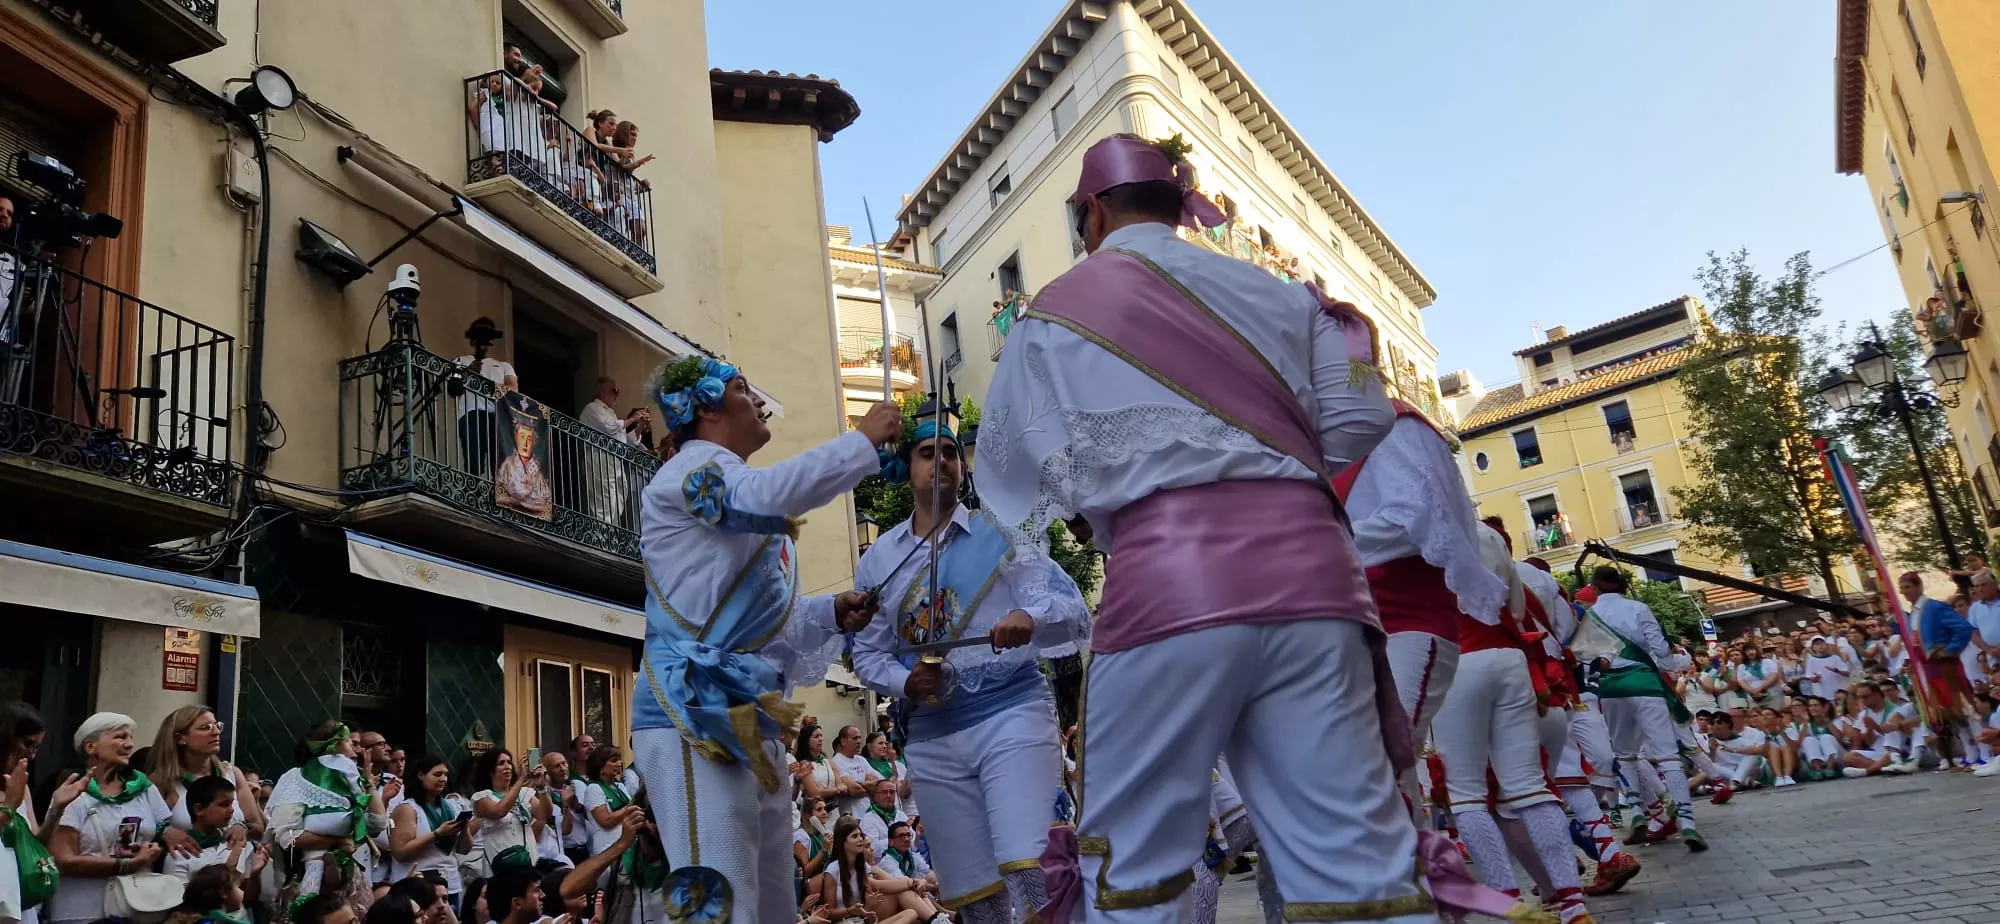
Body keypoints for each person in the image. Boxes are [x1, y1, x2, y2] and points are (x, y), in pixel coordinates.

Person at [975, 133, 1433, 923]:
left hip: (1170, 583)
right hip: (1319, 582)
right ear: (1179, 204)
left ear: (1092, 213)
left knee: (1138, 859)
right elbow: (1360, 421)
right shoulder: (1289, 296)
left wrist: (1102, 502)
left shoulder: (1052, 312)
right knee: (1355, 856)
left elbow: (1015, 474)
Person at [633, 353, 900, 924]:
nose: (757, 401)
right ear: (704, 408)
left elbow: (768, 627)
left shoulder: (746, 500)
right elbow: (764, 495)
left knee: (773, 899)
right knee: (719, 897)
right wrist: (860, 444)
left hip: (749, 716)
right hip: (688, 711)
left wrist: (829, 611)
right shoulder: (690, 475)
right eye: (740, 388)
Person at [849, 415, 1090, 923]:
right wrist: (906, 681)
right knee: (975, 895)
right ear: (904, 467)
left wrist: (1029, 616)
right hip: (932, 733)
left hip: (1012, 713)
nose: (941, 461)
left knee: (1032, 864)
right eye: (926, 452)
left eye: (951, 452)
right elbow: (867, 656)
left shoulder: (997, 532)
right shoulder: (879, 561)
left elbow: (1069, 609)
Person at [1328, 367, 1505, 829]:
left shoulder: (1395, 425)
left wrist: (1309, 542)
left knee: (1379, 760)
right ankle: (1415, 890)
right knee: (1375, 769)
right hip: (1354, 626)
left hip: (1408, 623)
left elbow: (1418, 520)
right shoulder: (1325, 446)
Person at [1428, 525, 1594, 923]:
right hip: (1510, 660)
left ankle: (1509, 905)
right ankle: (1573, 905)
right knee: (1529, 786)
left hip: (1457, 661)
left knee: (1466, 793)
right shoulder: (1489, 535)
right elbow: (1518, 609)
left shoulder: (1414, 526)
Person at [1575, 566, 1702, 852]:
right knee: (1667, 755)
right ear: (1621, 586)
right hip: (1644, 683)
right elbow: (1660, 651)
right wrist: (1672, 666)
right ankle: (1687, 822)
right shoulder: (1639, 608)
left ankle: (1636, 813)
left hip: (1610, 689)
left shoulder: (1591, 615)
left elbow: (1585, 658)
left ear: (1595, 588)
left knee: (1625, 754)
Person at [46, 713, 191, 924]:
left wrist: (153, 848)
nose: (129, 745)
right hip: (82, 911)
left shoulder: (143, 788)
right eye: (120, 737)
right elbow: (62, 860)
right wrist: (125, 864)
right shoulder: (74, 792)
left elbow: (162, 830)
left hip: (134, 908)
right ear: (91, 747)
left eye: (130, 738)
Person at [267, 721, 388, 920]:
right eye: (351, 743)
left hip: (348, 881)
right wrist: (336, 842)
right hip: (307, 876)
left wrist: (368, 782)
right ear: (333, 746)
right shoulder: (294, 779)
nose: (356, 752)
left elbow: (377, 824)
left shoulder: (352, 778)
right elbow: (287, 836)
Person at [147, 706, 265, 842]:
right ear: (180, 738)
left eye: (217, 725)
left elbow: (258, 828)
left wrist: (241, 827)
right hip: (186, 861)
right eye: (205, 727)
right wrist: (164, 832)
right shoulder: (162, 781)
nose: (215, 732)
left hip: (235, 860)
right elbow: (145, 830)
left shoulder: (232, 774)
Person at [388, 755, 473, 907]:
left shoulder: (451, 806)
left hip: (449, 884)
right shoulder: (408, 808)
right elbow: (400, 852)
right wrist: (437, 834)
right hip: (417, 885)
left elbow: (464, 849)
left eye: (446, 774)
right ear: (420, 775)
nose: (443, 779)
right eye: (437, 774)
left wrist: (464, 827)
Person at [164, 775, 265, 883]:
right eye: (224, 804)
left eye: (231, 803)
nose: (231, 810)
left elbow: (249, 898)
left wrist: (255, 876)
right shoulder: (179, 856)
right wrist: (228, 870)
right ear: (199, 809)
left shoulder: (238, 845)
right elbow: (181, 899)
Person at [470, 749, 547, 872]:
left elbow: (545, 814)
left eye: (509, 762)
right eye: (501, 763)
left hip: (527, 862)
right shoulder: (482, 797)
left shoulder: (524, 793)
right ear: (490, 771)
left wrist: (542, 787)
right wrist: (521, 779)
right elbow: (499, 811)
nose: (507, 767)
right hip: (500, 864)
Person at [824, 727, 877, 819]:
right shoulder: (836, 761)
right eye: (855, 738)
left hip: (869, 814)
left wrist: (860, 784)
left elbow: (878, 784)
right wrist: (868, 787)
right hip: (852, 817)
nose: (859, 741)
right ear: (843, 741)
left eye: (860, 738)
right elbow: (854, 789)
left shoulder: (861, 760)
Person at [855, 780, 906, 862]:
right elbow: (872, 848)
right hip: (881, 865)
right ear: (875, 796)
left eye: (892, 792)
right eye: (884, 792)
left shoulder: (901, 815)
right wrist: (896, 840)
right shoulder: (868, 818)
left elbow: (912, 843)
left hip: (905, 861)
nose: (889, 795)